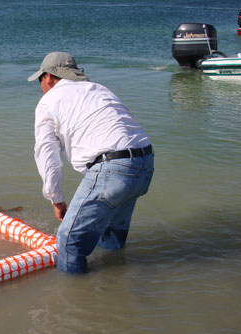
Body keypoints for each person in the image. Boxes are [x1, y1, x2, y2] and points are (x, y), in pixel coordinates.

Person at [27, 51, 154, 274]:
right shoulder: (98, 89)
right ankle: (114, 283)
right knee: (111, 234)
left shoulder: (48, 101)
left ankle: (74, 302)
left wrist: (56, 199)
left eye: (40, 80)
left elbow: (47, 155)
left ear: (48, 77)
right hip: (144, 162)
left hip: (113, 167)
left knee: (68, 240)